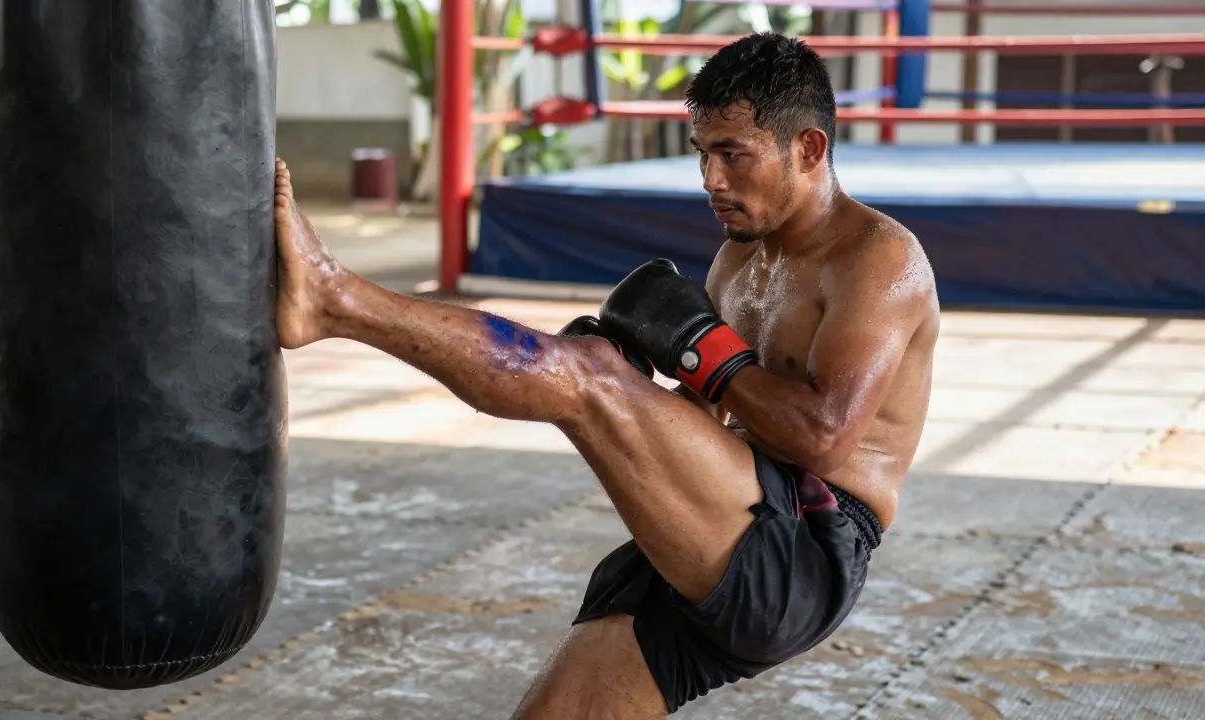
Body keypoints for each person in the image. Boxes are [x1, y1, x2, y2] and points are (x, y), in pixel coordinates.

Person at [273, 32, 938, 720]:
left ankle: (335, 299)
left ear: (808, 149)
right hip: (721, 532)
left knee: (585, 379)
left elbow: (824, 437)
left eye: (733, 155)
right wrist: (644, 389)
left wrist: (694, 358)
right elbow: (706, 419)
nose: (711, 180)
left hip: (800, 551)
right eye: (703, 154)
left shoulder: (877, 260)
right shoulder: (738, 264)